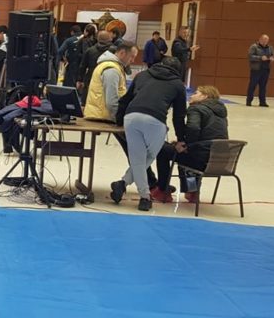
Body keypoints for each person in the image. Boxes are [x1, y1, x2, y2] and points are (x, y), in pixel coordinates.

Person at [111, 56, 187, 212]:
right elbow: (179, 116)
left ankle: (122, 184)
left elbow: (125, 99)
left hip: (131, 117)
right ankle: (144, 197)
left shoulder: (142, 75)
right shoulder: (178, 85)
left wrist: (119, 122)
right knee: (149, 156)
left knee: (138, 159)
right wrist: (181, 139)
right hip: (155, 121)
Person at [150, 85, 228, 204]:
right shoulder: (221, 113)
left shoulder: (196, 108)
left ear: (205, 96)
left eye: (196, 93)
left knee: (163, 149)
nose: (191, 95)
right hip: (218, 161)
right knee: (186, 155)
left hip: (199, 159)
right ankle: (192, 191)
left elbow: (193, 128)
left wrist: (187, 145)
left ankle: (163, 190)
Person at [83, 41, 137, 123]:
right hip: (104, 117)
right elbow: (111, 102)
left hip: (99, 115)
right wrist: (120, 119)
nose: (133, 60)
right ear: (122, 53)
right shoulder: (112, 70)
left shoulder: (111, 66)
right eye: (132, 57)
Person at [77, 30, 114, 101]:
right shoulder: (114, 51)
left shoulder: (90, 50)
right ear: (110, 39)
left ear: (97, 38)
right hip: (108, 80)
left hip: (90, 79)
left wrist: (79, 80)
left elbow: (83, 66)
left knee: (86, 101)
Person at [246, 34, 274, 107]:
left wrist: (271, 58)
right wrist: (260, 58)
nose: (265, 42)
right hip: (256, 69)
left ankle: (262, 102)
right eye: (264, 40)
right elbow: (250, 56)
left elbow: (272, 55)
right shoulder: (254, 47)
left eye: (267, 40)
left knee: (263, 87)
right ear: (260, 39)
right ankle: (249, 101)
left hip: (266, 69)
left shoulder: (270, 48)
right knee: (252, 86)